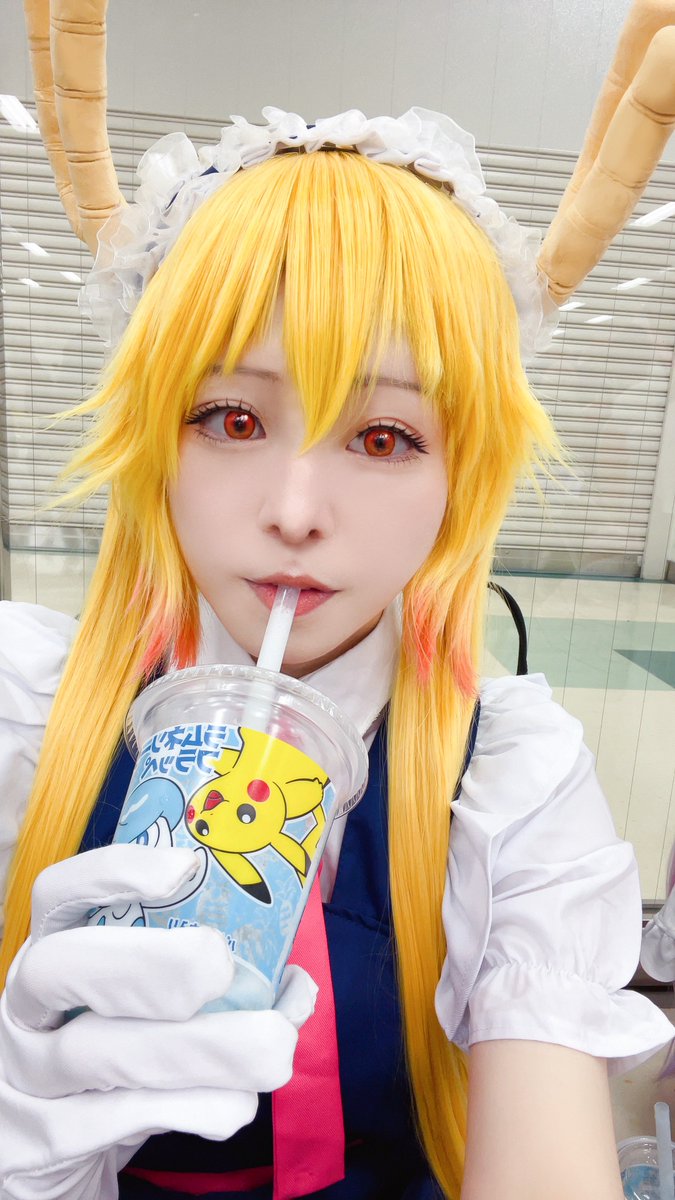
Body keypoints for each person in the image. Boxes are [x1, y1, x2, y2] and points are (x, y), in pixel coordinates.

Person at [0, 108, 674, 1200]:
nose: (296, 511)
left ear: (462, 476)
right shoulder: (25, 716)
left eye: (383, 437)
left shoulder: (513, 789)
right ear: (155, 436)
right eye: (231, 418)